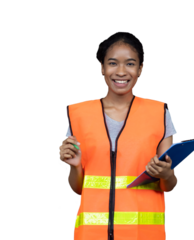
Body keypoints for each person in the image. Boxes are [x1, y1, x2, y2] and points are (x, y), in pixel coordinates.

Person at [58, 30, 178, 240]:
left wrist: (166, 173)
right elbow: (77, 188)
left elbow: (169, 185)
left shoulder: (159, 113)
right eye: (113, 63)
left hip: (144, 236)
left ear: (140, 69)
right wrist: (75, 166)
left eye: (130, 64)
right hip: (91, 236)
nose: (121, 71)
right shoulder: (79, 115)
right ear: (102, 68)